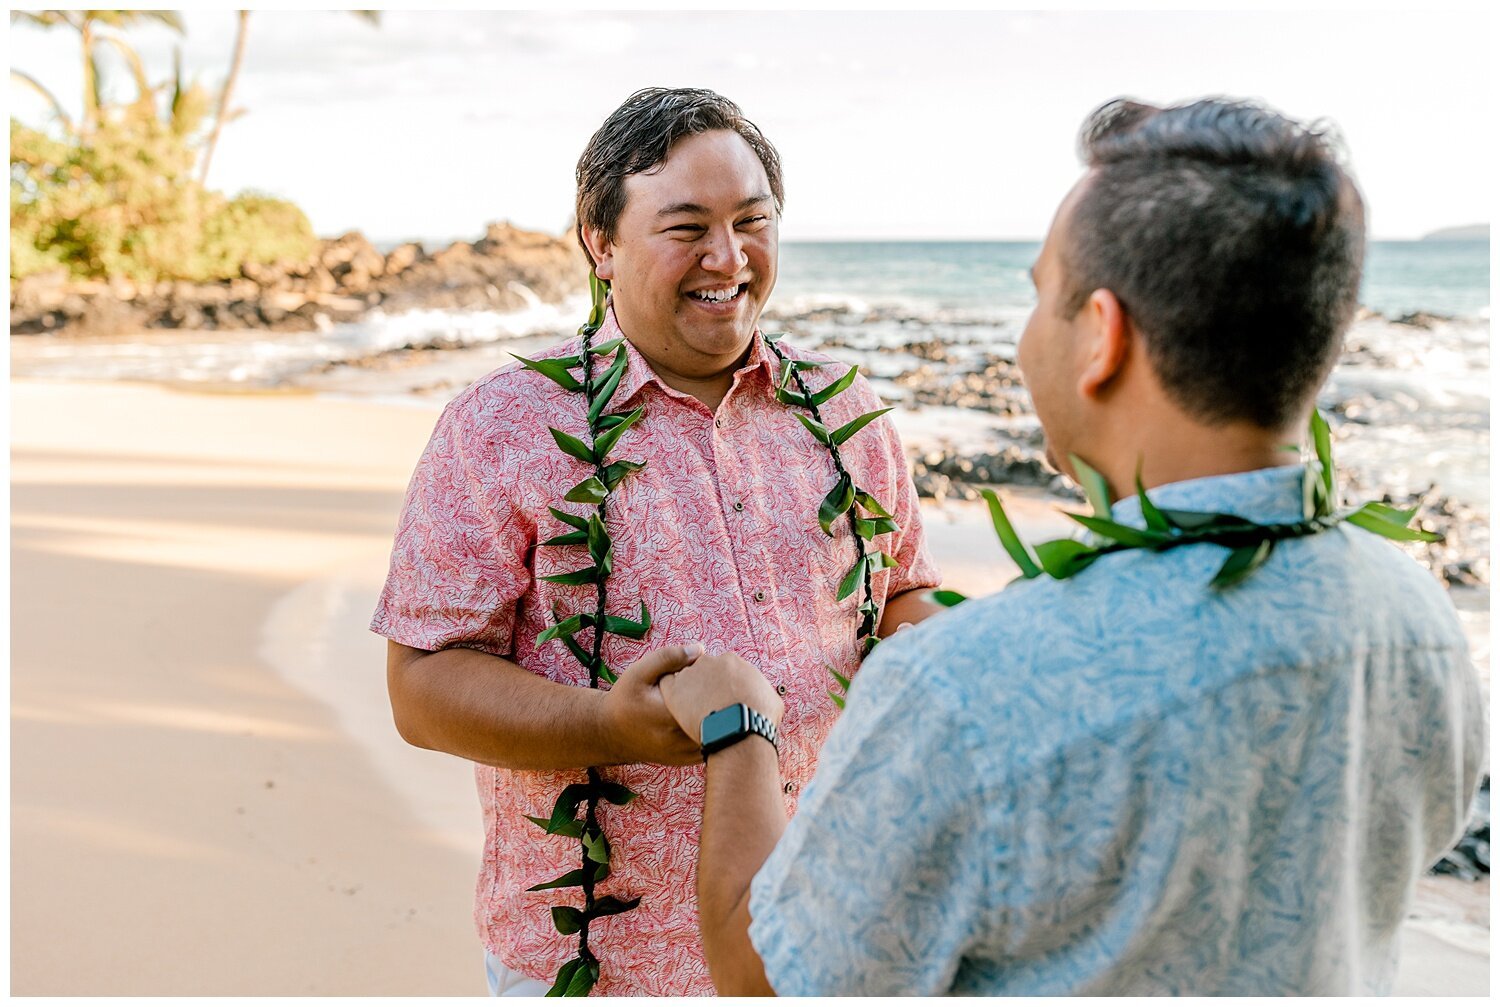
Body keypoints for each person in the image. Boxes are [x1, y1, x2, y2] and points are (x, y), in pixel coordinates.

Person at [657, 96, 1488, 996]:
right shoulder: (1420, 621)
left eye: (1041, 295)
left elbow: (763, 970)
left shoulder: (964, 689)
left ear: (1103, 335)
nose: (1026, 335)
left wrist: (738, 725)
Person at [370, 87, 944, 996]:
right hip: (601, 964)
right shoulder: (499, 427)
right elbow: (422, 685)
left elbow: (904, 591)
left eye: (753, 221)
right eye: (687, 227)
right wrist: (611, 724)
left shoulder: (847, 410)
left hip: (829, 929)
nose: (729, 257)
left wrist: (938, 654)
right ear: (601, 243)